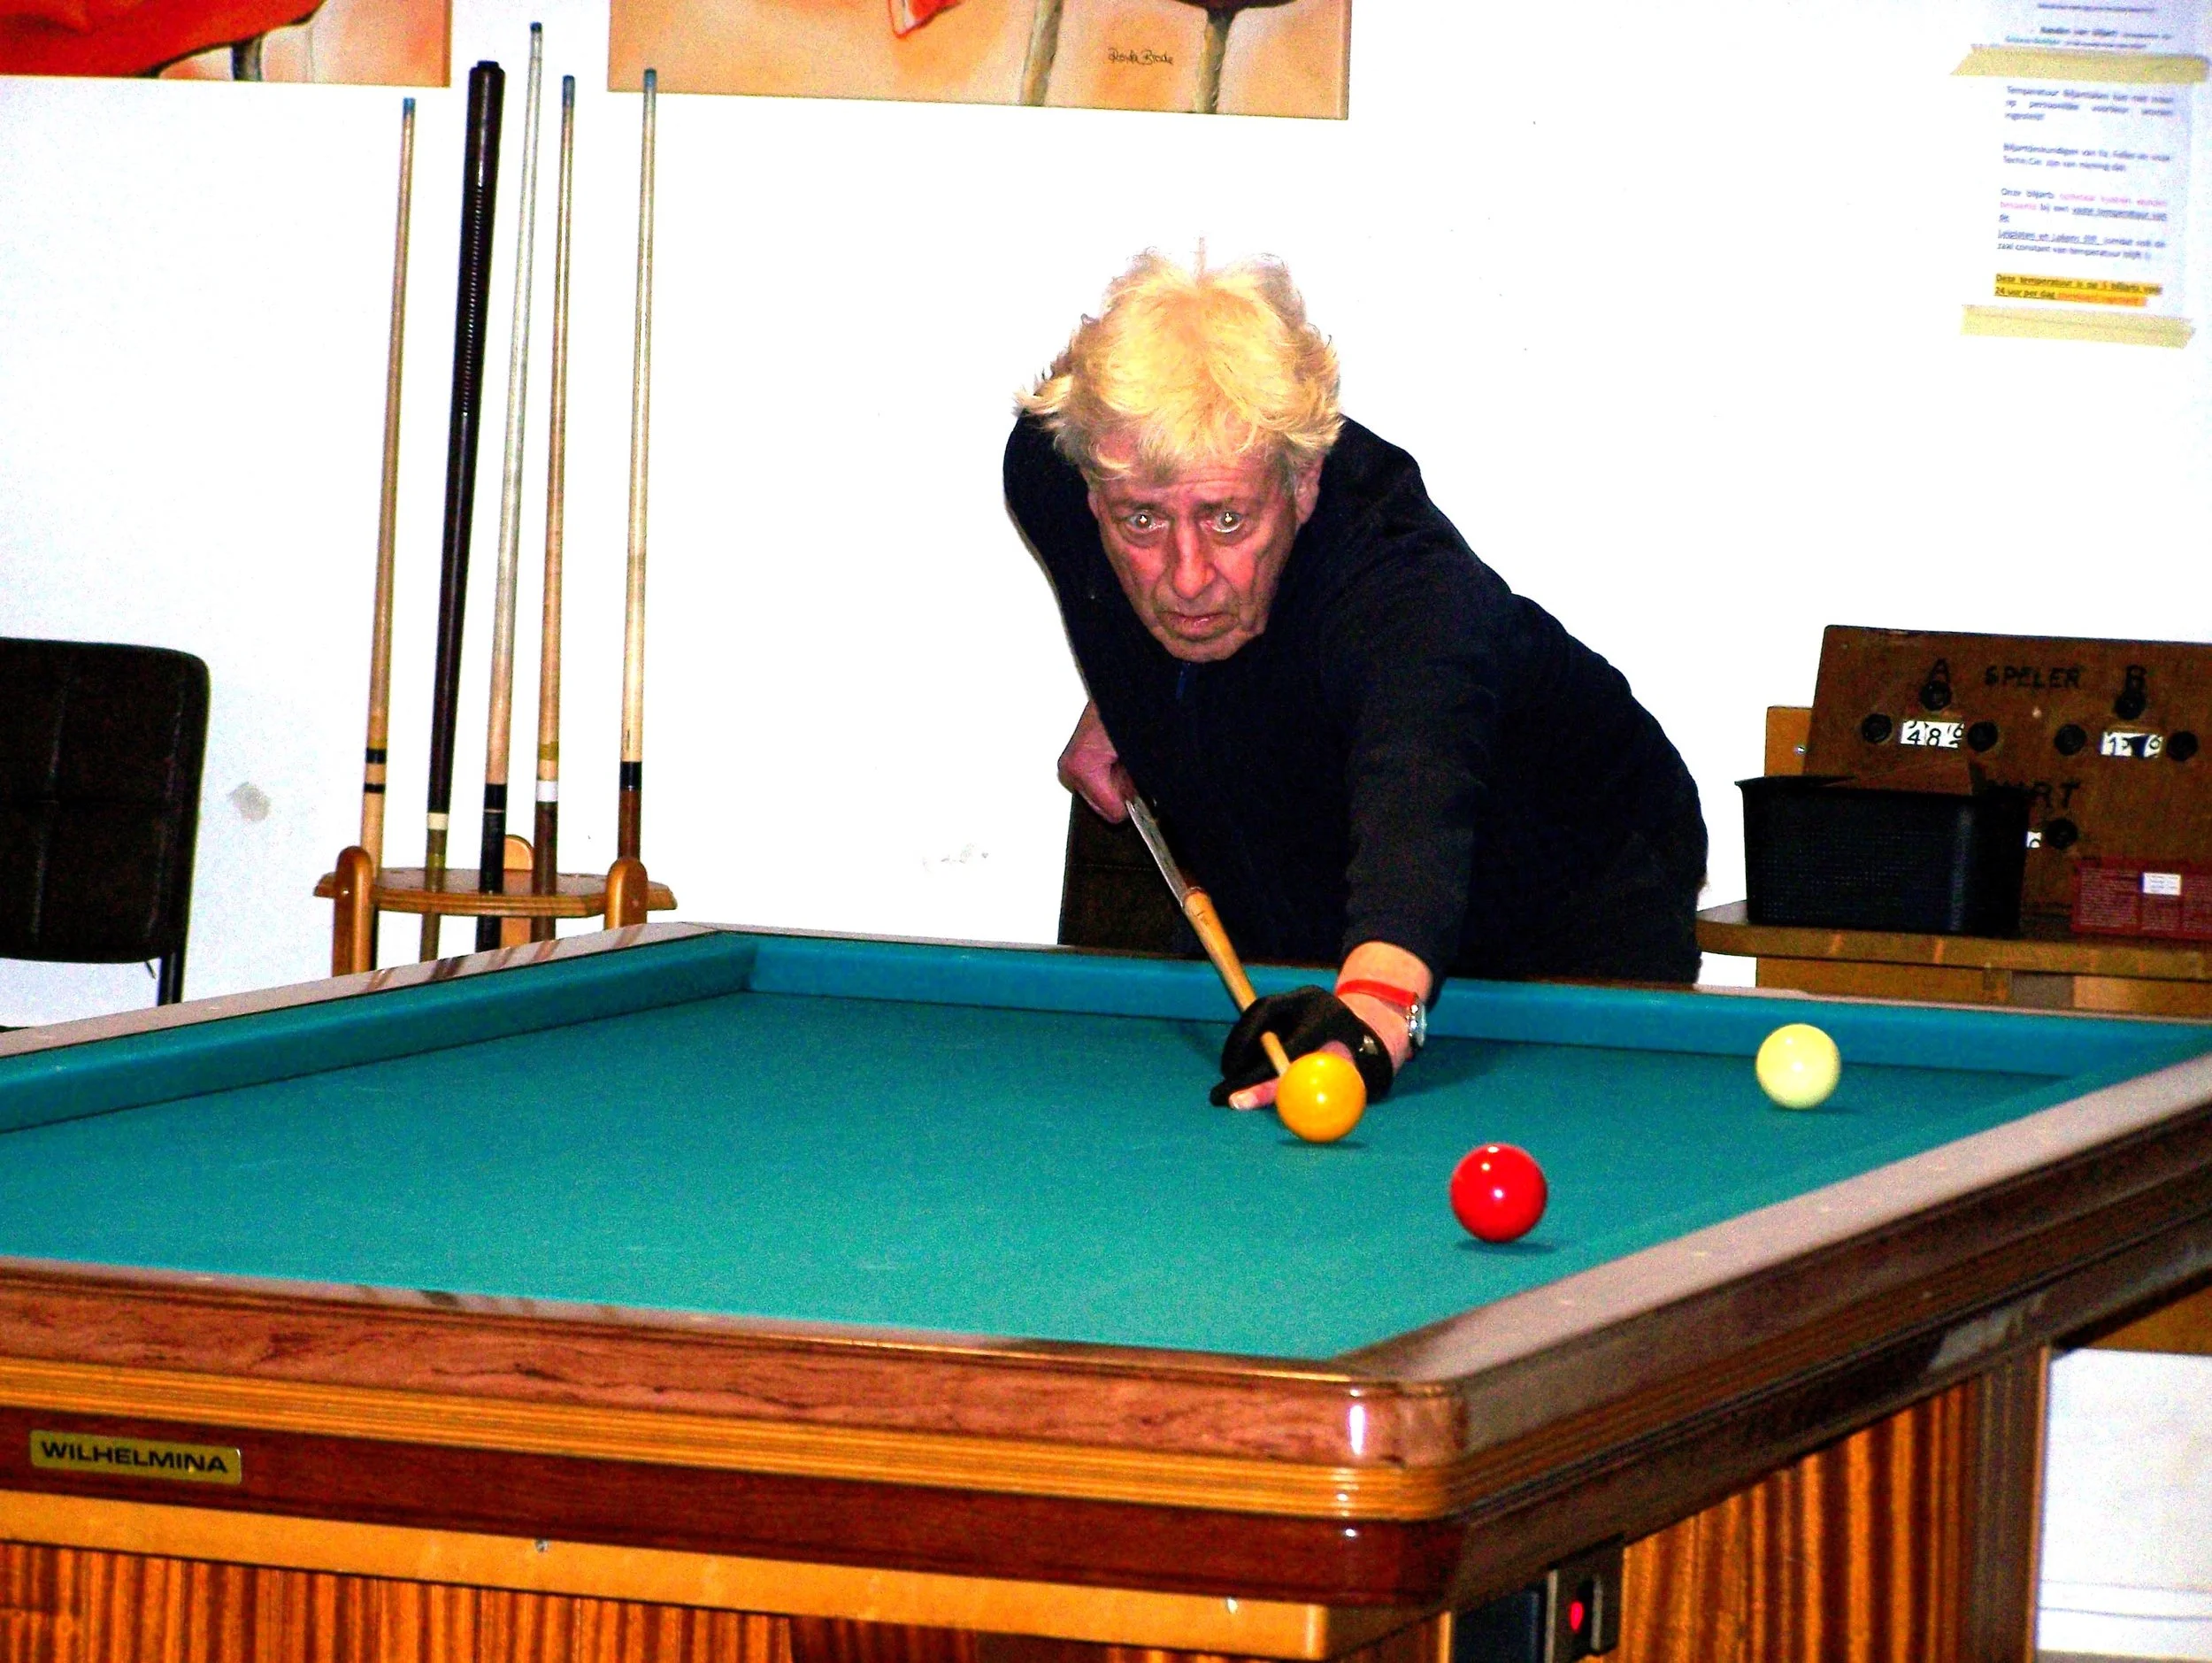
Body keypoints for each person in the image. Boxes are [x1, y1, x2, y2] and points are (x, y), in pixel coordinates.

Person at [1005, 251, 1705, 1111]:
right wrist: (1131, 687)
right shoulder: (1053, 467)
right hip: (1308, 850)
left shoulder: (1409, 600)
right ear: (1093, 491)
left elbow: (1417, 802)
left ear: (1302, 483)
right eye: (1141, 520)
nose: (1185, 578)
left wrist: (1374, 1007)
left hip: (1565, 889)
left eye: (1228, 519)